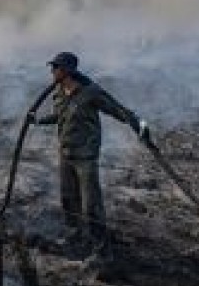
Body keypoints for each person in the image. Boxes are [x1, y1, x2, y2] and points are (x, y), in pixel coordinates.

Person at [28, 52, 151, 258]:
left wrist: (138, 124)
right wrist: (38, 120)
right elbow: (59, 116)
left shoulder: (90, 92)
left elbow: (116, 109)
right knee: (68, 199)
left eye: (56, 68)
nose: (52, 72)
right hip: (65, 154)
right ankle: (75, 237)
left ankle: (101, 251)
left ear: (67, 71)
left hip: (85, 157)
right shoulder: (58, 92)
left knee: (91, 205)